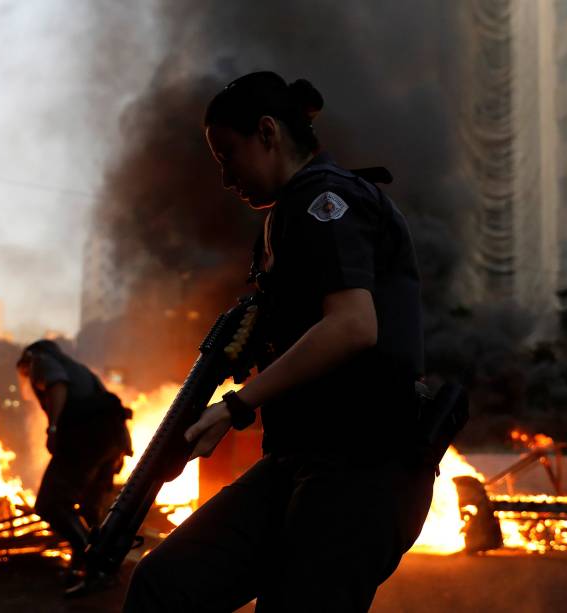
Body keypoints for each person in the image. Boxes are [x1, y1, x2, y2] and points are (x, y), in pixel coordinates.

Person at [123, 72, 435, 612]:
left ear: (267, 132)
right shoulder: (288, 215)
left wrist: (237, 407)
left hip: (365, 465)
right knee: (164, 584)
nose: (225, 178)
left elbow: (353, 325)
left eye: (228, 155)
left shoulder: (325, 200)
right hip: (301, 459)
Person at [16, 339, 132, 561]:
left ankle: (89, 559)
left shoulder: (40, 359)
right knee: (90, 506)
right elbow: (112, 406)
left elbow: (57, 384)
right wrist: (122, 450)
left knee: (50, 504)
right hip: (112, 441)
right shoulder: (81, 370)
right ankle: (104, 566)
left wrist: (53, 428)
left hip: (85, 440)